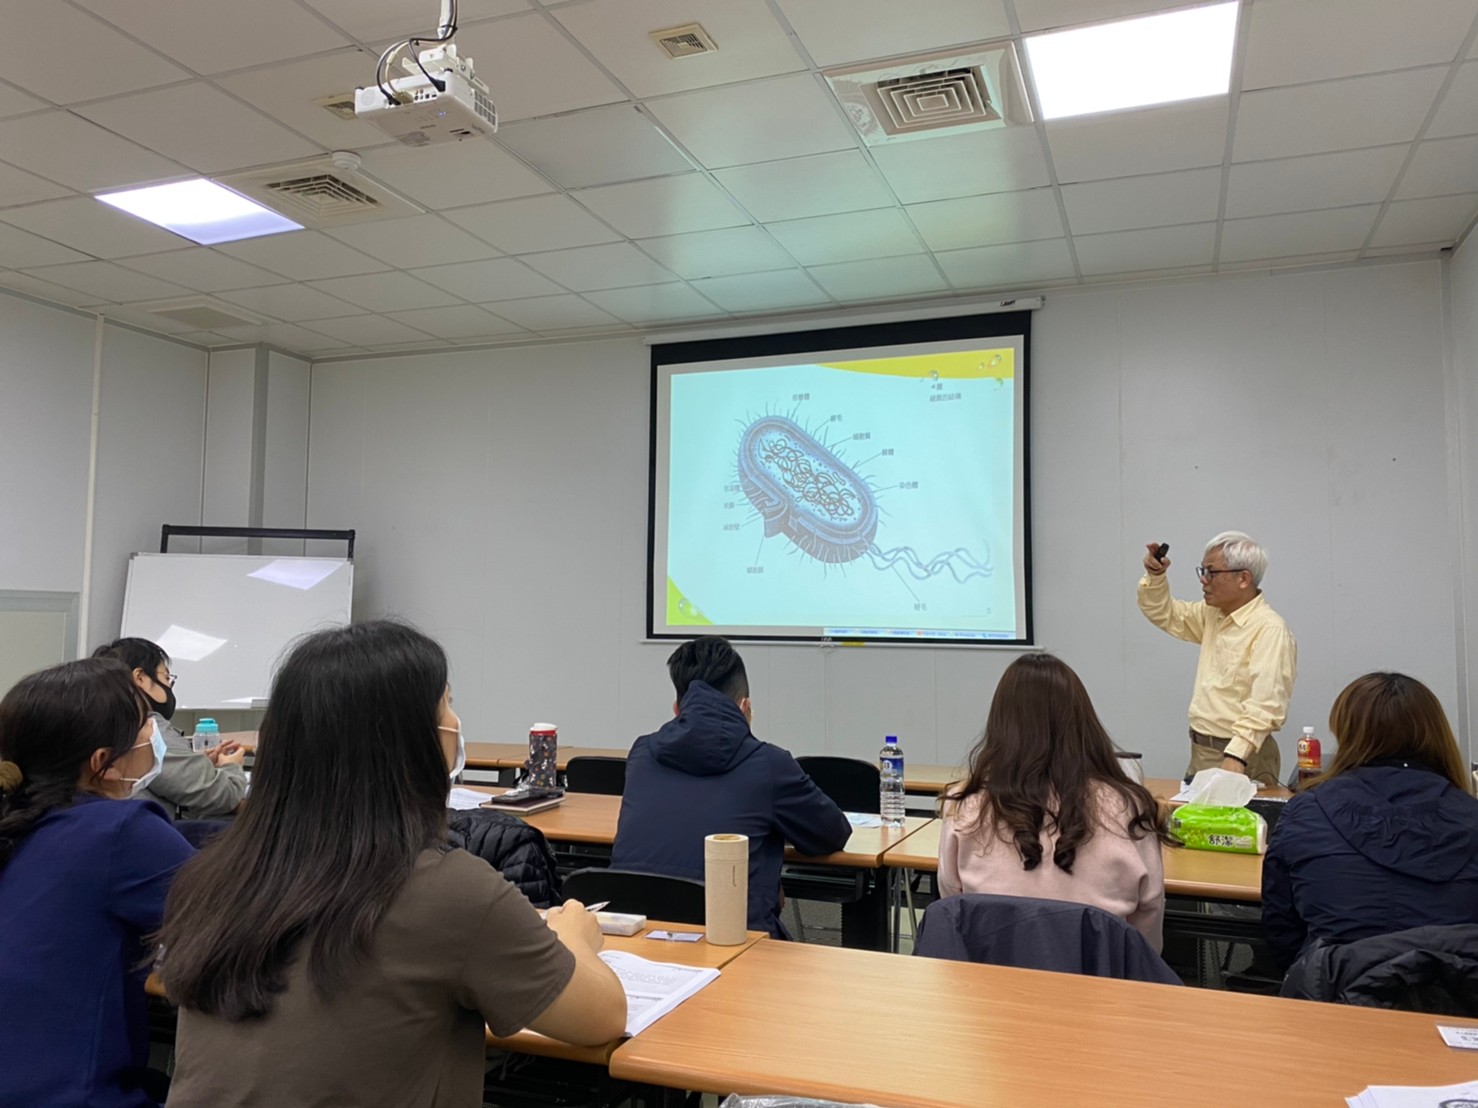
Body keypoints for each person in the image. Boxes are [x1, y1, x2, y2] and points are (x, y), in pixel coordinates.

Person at [159, 621, 625, 1108]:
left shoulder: (213, 876)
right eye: (446, 703)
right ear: (410, 739)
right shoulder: (450, 891)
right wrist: (575, 937)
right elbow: (602, 1018)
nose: (455, 720)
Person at [0, 658, 195, 1108]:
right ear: (103, 762)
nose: (154, 735)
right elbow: (242, 924)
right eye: (145, 725)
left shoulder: (19, 820)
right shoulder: (120, 830)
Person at [611, 635, 851, 938]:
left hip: (636, 940)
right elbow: (832, 834)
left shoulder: (642, 753)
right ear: (745, 707)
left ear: (676, 709)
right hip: (732, 943)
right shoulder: (770, 764)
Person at [937, 653, 1170, 951]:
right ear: (1084, 724)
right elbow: (1148, 919)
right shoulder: (1131, 808)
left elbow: (953, 905)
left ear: (1000, 725)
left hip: (989, 976)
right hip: (1102, 978)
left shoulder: (965, 806)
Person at [1262, 672, 1478, 972]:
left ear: (1347, 734)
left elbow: (1280, 930)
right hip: (1459, 995)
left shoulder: (1307, 811)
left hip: (1335, 992)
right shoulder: (1470, 814)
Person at [1137, 531, 1297, 786]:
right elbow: (1165, 613)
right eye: (1202, 571)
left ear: (1243, 578)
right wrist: (1156, 577)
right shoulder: (1213, 614)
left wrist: (1236, 756)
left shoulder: (1269, 629)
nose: (1203, 580)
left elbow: (1267, 705)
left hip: (1241, 758)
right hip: (1202, 750)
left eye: (1211, 572)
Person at [91, 637, 247, 820]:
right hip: (143, 830)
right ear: (140, 677)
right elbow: (220, 796)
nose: (169, 686)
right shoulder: (148, 728)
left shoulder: (97, 722)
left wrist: (196, 765)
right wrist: (231, 766)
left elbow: (167, 777)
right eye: (166, 677)